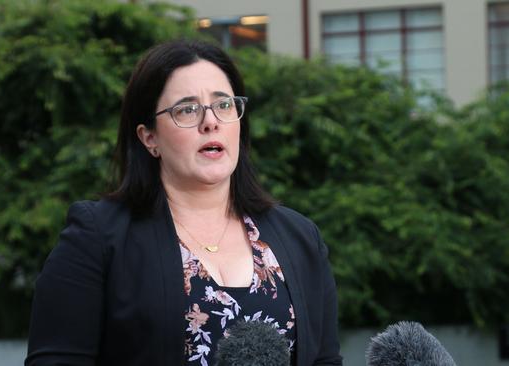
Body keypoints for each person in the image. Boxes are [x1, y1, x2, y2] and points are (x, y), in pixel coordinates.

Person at [25, 40, 342, 366]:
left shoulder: (300, 236)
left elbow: (325, 360)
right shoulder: (97, 237)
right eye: (187, 110)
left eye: (224, 105)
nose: (210, 122)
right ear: (150, 138)